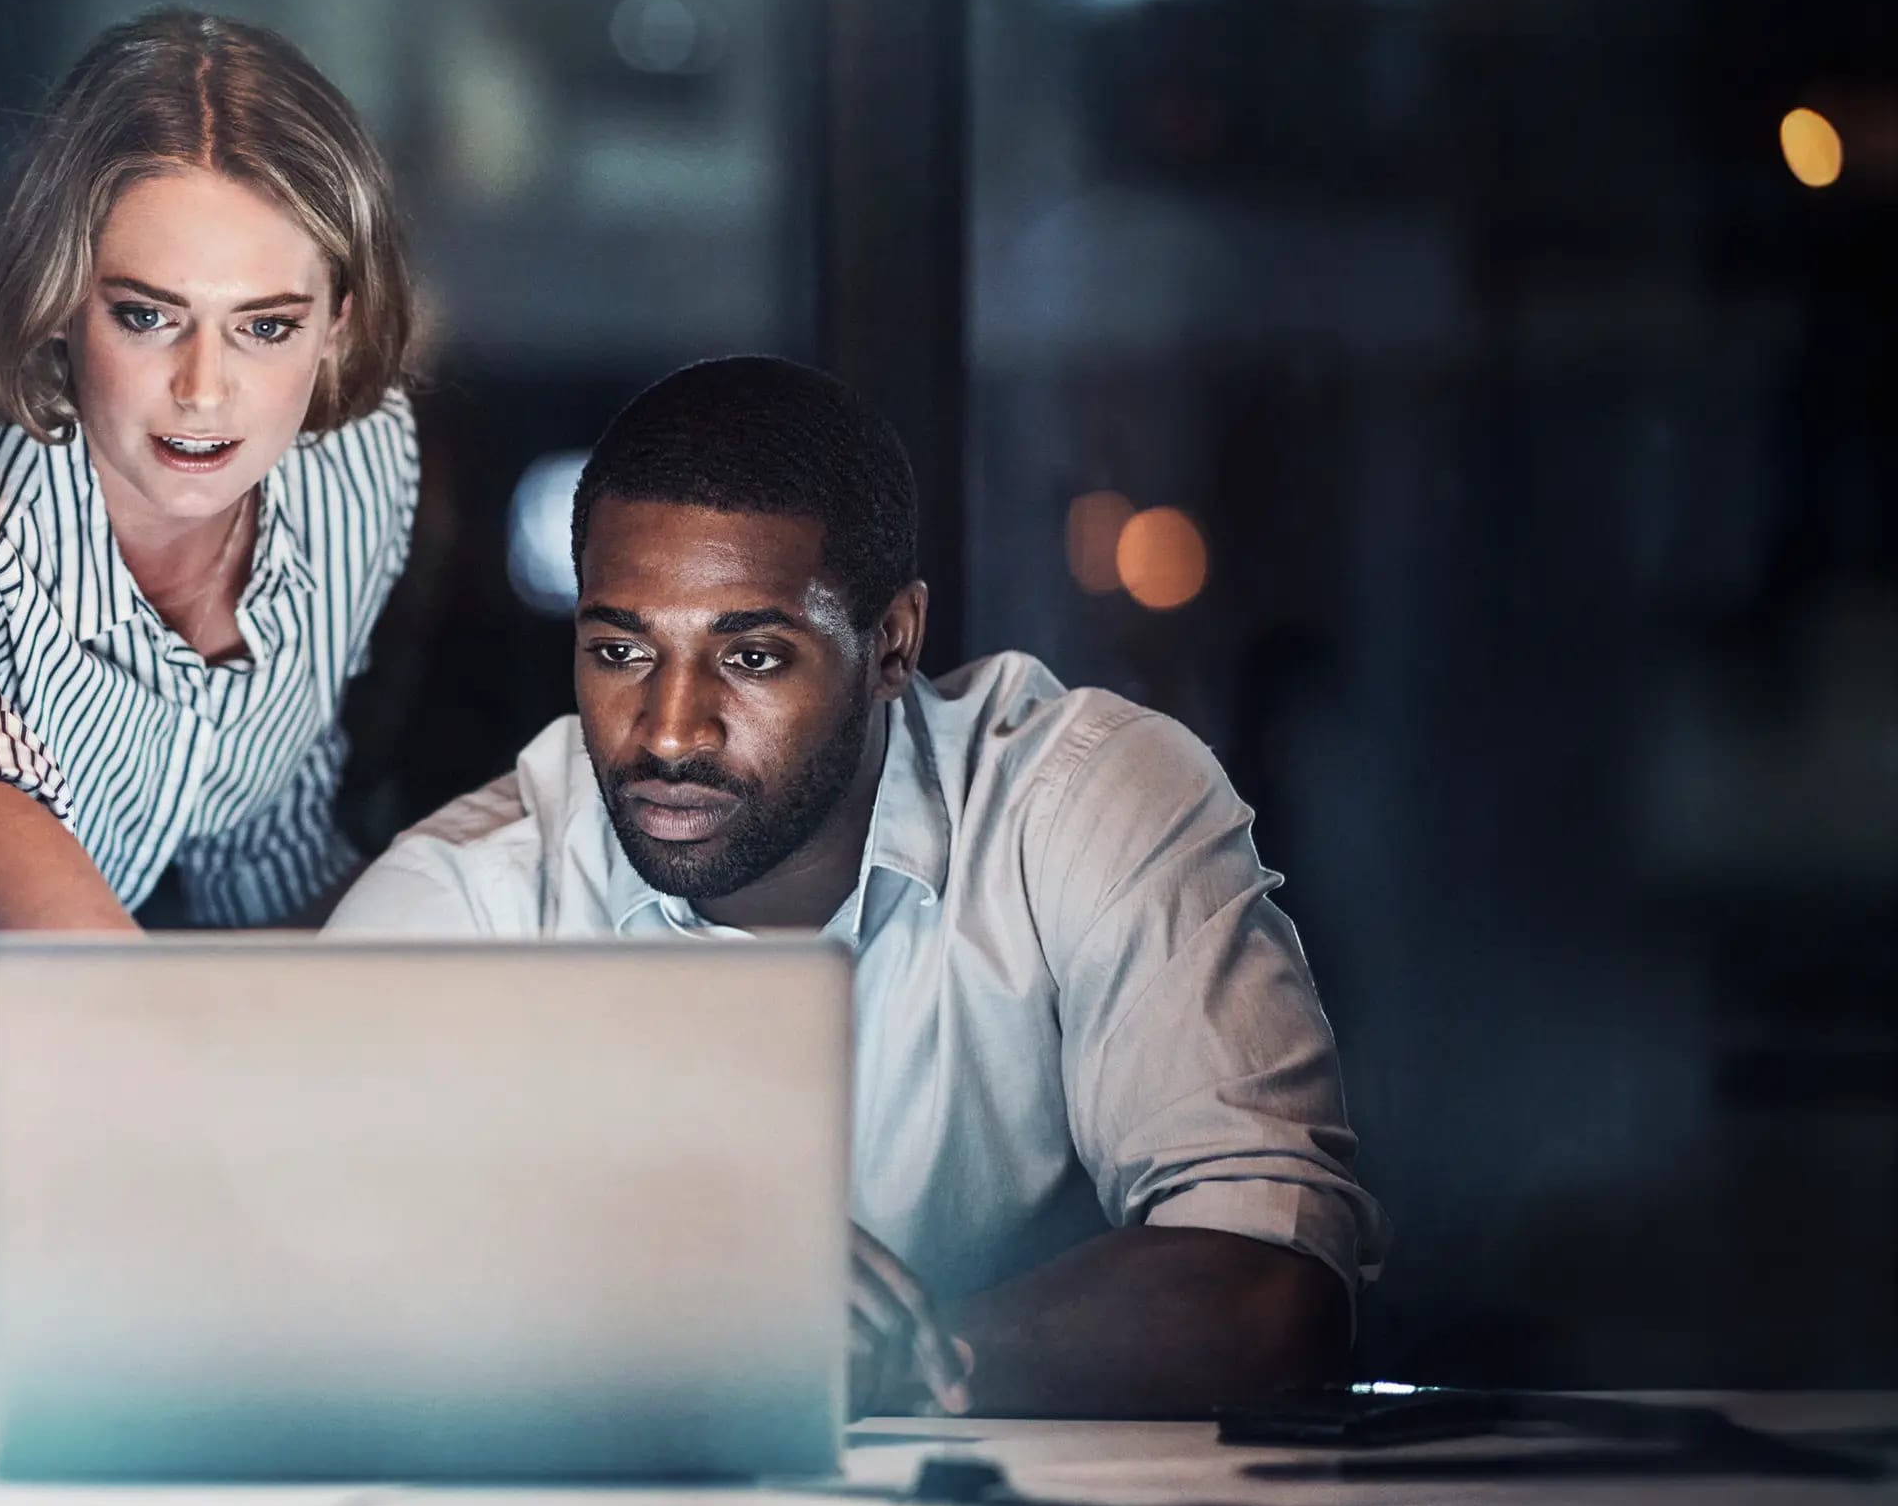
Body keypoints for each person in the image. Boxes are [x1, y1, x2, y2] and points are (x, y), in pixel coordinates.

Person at [327, 356, 1382, 1419]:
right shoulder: (458, 904)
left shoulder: (1075, 805)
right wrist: (629, 1293)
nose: (668, 729)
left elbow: (1273, 1280)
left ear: (891, 644)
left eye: (750, 657)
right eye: (618, 650)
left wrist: (869, 1365)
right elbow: (295, 1308)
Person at [0, 8, 423, 1002]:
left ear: (337, 322)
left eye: (265, 326)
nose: (203, 388)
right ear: (63, 294)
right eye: (146, 316)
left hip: (113, 1065)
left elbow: (260, 847)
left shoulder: (352, 464)